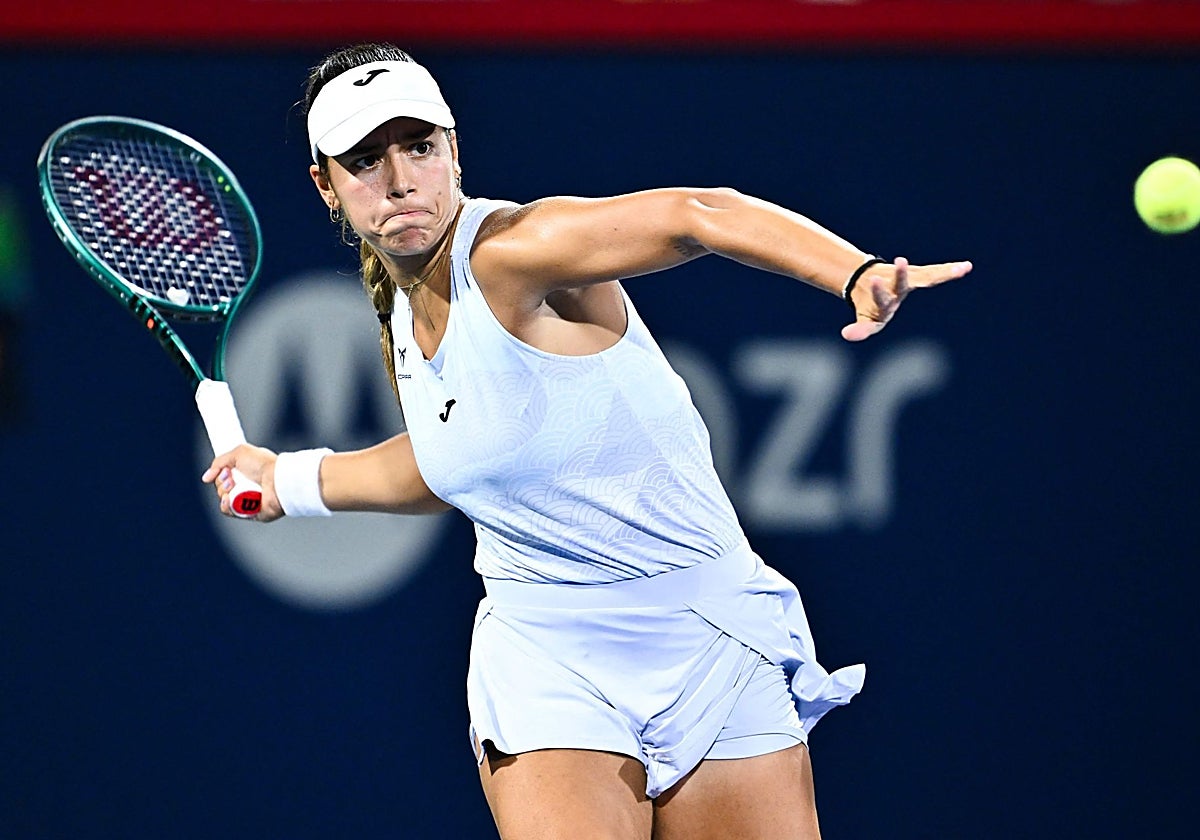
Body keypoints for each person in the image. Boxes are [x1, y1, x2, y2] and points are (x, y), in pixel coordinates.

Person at [204, 42, 972, 839]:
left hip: (708, 633)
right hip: (545, 648)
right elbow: (450, 463)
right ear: (325, 186)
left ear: (454, 151)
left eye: (419, 147)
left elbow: (696, 214)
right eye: (365, 160)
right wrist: (287, 481)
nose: (400, 180)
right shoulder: (399, 309)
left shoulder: (512, 252)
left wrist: (852, 273)